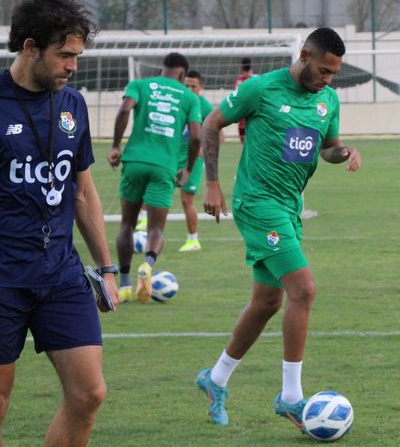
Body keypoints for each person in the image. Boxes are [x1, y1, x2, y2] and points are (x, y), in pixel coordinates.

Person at [0, 0, 118, 447]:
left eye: (78, 55)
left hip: (60, 274)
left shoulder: (72, 105)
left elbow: (81, 191)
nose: (74, 66)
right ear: (31, 47)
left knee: (89, 394)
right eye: (66, 55)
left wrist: (106, 267)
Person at [194, 28, 361, 427]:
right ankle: (291, 397)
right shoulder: (261, 89)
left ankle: (215, 379)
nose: (327, 79)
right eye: (323, 70)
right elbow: (211, 123)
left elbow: (327, 147)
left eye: (333, 73)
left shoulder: (328, 99)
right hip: (257, 204)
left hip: (289, 209)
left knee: (268, 302)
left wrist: (346, 152)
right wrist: (213, 183)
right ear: (304, 55)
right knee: (303, 289)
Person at [107, 52, 202, 302]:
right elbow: (196, 137)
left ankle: (125, 284)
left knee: (127, 224)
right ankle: (148, 264)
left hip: (135, 161)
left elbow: (125, 109)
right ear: (182, 73)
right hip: (165, 166)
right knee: (156, 228)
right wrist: (189, 168)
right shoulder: (189, 97)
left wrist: (116, 146)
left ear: (164, 68)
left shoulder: (140, 85)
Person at [177, 70, 223, 252]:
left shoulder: (205, 106)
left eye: (193, 86)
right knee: (154, 187)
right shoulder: (178, 102)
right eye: (186, 85)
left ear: (201, 87)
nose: (189, 89)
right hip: (172, 156)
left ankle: (193, 240)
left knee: (186, 199)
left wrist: (201, 152)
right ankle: (143, 225)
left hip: (193, 160)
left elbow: (219, 135)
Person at [233, 57, 254, 143]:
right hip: (252, 117)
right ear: (251, 67)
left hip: (241, 118)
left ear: (241, 68)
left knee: (244, 146)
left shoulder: (238, 81)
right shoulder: (254, 80)